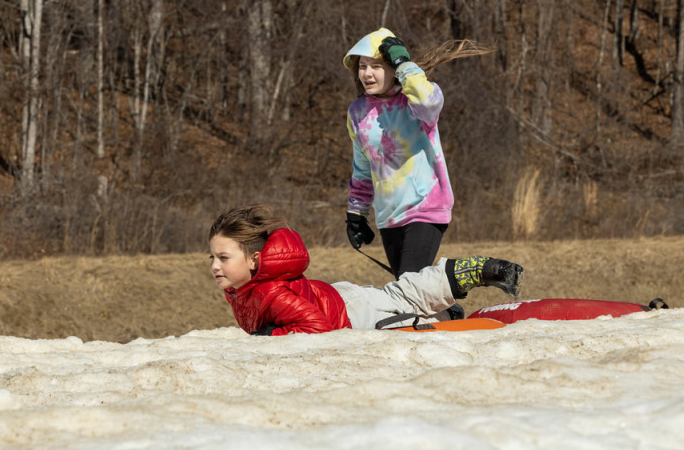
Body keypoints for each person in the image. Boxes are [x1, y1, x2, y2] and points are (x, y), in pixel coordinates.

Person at [342, 28, 494, 317]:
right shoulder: (358, 111)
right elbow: (362, 166)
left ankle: (425, 340)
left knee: (408, 294)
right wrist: (356, 213)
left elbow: (428, 100)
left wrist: (404, 64)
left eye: (376, 65)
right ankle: (450, 314)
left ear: (393, 69)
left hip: (426, 208)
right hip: (389, 216)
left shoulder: (416, 103)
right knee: (409, 294)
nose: (367, 74)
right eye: (362, 67)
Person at [209, 205, 523, 336]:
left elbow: (316, 329)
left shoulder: (269, 291)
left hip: (352, 314)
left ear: (253, 259)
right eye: (212, 257)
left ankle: (476, 271)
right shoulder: (246, 287)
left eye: (223, 258)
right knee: (399, 295)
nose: (215, 266)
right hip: (339, 297)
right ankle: (448, 310)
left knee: (402, 304)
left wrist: (269, 334)